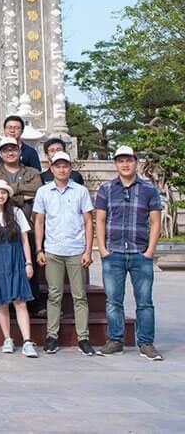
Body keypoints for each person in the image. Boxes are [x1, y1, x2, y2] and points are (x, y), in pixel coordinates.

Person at [94, 146, 163, 361]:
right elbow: (101, 219)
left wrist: (150, 251)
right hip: (113, 252)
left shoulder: (148, 189)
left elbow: (155, 221)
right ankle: (115, 340)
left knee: (144, 301)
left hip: (139, 252)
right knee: (114, 300)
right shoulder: (106, 189)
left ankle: (146, 343)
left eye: (129, 160)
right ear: (115, 164)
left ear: (136, 162)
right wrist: (103, 248)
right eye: (120, 160)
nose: (125, 164)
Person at [31, 150, 96, 356]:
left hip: (76, 250)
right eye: (58, 165)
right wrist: (38, 248)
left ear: (70, 167)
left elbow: (88, 221)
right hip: (53, 250)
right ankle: (52, 336)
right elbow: (39, 221)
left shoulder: (80, 191)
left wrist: (88, 250)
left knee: (80, 296)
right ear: (52, 168)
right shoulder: (43, 191)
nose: (62, 169)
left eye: (65, 165)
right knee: (54, 295)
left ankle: (83, 338)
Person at [0, 136, 44, 315]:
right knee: (2, 268)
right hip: (0, 224)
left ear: (20, 151)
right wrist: (21, 194)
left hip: (28, 221)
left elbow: (37, 189)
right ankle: (4, 305)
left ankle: (32, 304)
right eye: (5, 150)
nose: (10, 153)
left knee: (28, 266)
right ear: (0, 154)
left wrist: (10, 191)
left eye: (13, 149)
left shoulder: (33, 171)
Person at [0, 180, 37, 357]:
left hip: (16, 258)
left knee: (20, 301)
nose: (0, 196)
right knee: (2, 302)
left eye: (3, 193)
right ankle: (7, 338)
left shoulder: (16, 212)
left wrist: (28, 262)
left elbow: (24, 241)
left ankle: (27, 341)